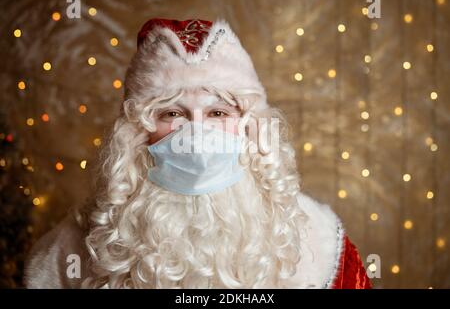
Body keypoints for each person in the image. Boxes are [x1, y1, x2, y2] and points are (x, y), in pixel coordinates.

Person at [25, 18, 371, 289]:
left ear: (249, 126)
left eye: (218, 113)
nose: (197, 133)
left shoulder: (322, 248)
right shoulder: (70, 252)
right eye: (172, 113)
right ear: (139, 131)